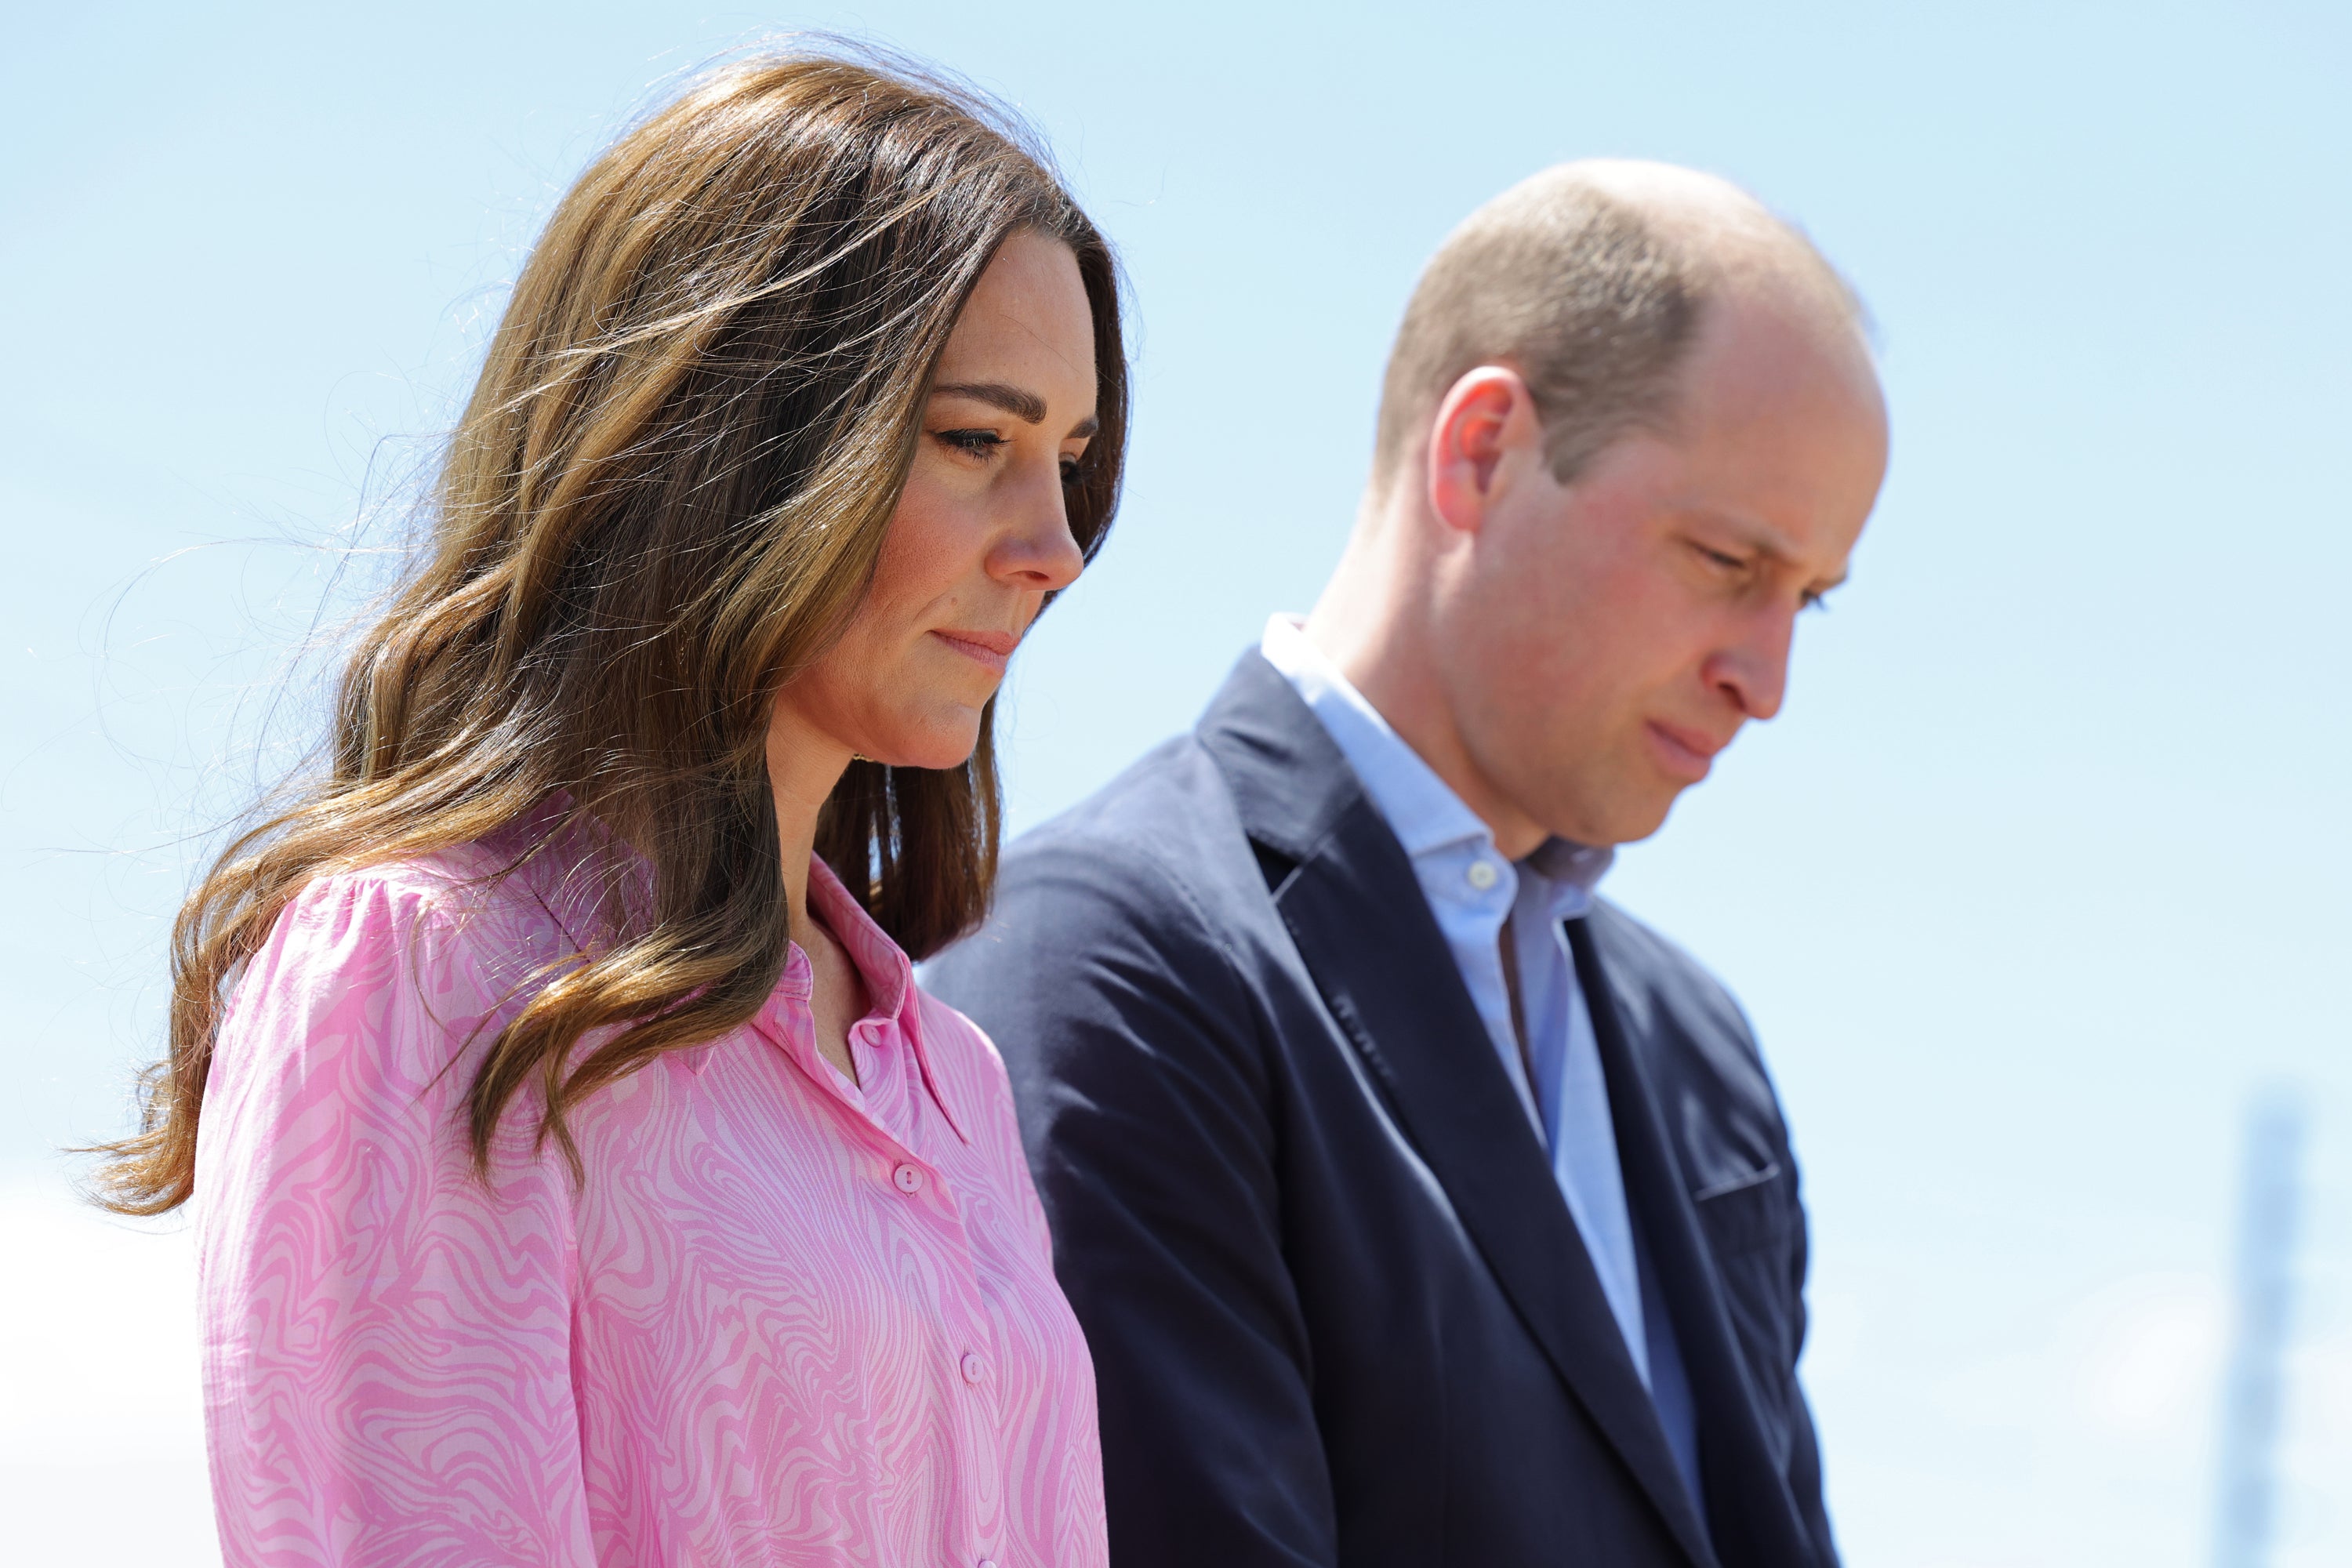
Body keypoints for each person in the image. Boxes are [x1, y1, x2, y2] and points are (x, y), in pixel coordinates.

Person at [89, 50, 1126, 1567]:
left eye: (1073, 460)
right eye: (978, 441)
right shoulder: (427, 974)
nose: (1057, 544)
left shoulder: (948, 1074)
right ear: (732, 442)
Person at [926, 160, 1889, 1567]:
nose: (1769, 678)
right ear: (1483, 450)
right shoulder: (1109, 964)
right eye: (1728, 562)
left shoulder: (1699, 1052)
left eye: (1808, 599)